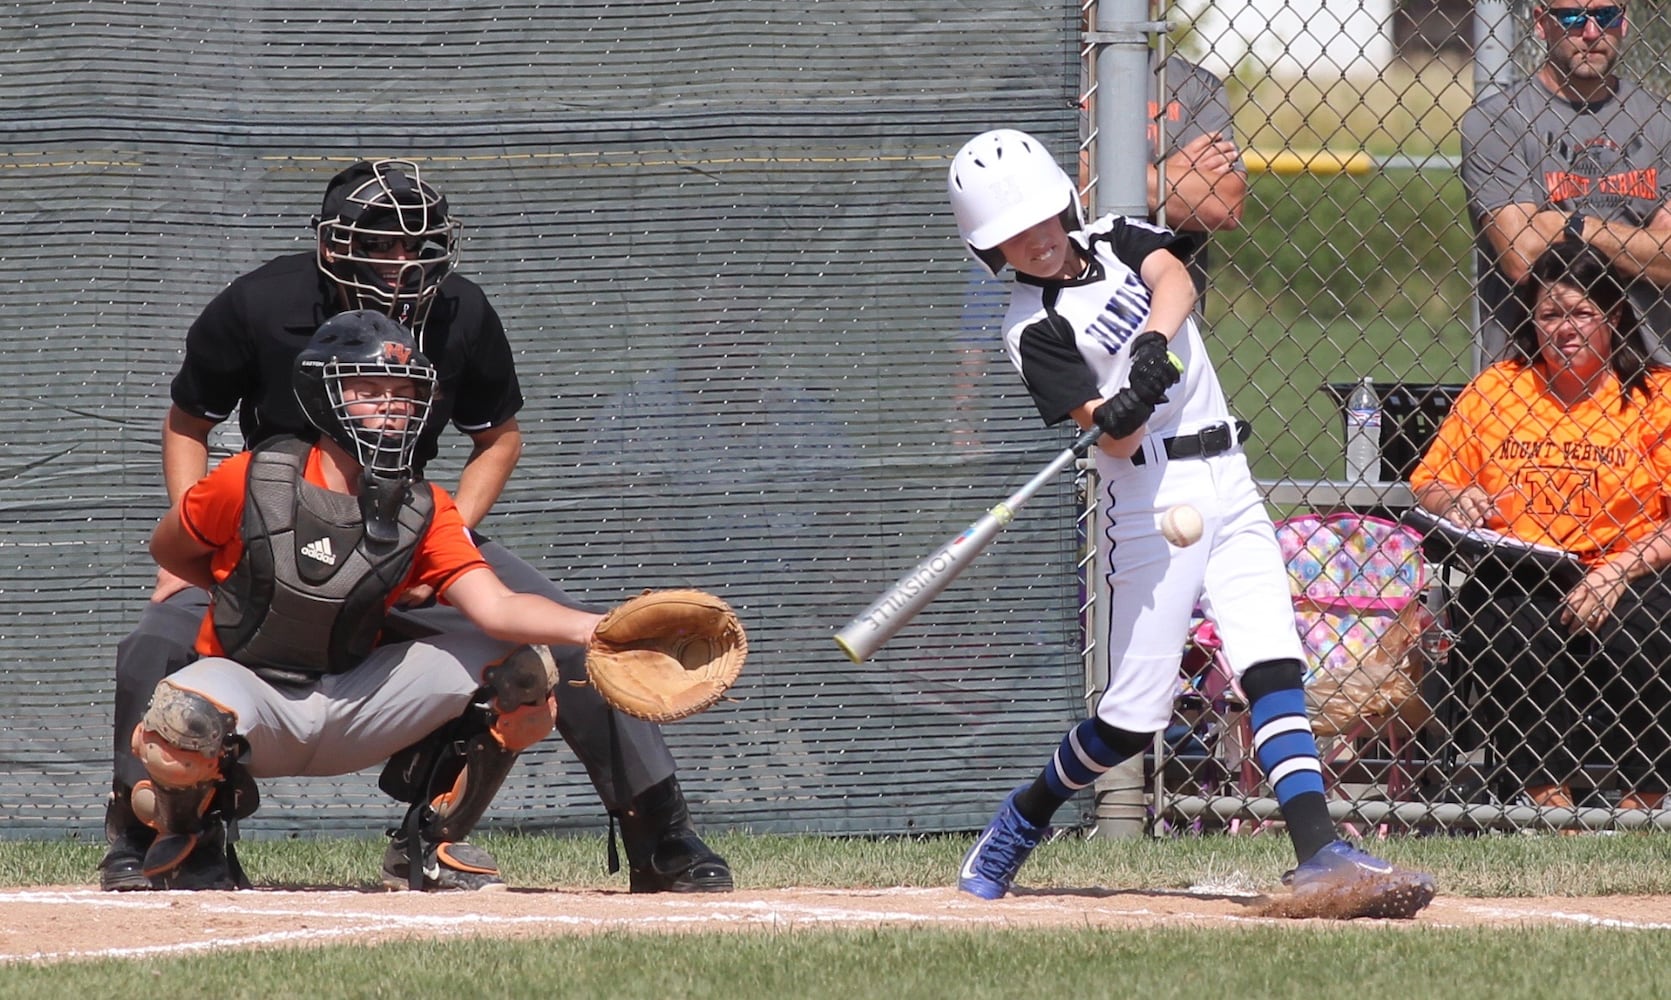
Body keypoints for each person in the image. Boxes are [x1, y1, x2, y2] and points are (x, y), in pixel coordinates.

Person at [100, 159, 730, 894]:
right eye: (379, 242)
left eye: (417, 244)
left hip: (398, 513)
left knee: (556, 643)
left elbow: (499, 438)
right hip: (266, 523)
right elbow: (189, 425)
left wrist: (433, 537)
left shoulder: (459, 310)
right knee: (158, 640)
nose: (401, 261)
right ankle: (146, 834)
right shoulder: (260, 304)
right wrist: (187, 555)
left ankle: (656, 832)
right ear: (332, 245)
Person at [945, 128, 1435, 918]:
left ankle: (1318, 852)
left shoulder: (1111, 237)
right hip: (1145, 500)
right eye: (1010, 237)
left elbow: (1173, 280)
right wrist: (1122, 408)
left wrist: (1148, 344)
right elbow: (1111, 431)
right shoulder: (1029, 329)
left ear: (1064, 206)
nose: (1033, 242)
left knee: (1272, 660)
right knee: (1131, 719)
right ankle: (1024, 814)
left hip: (1228, 476)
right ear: (989, 250)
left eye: (1040, 220)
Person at [135, 310, 604, 890]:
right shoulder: (252, 478)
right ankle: (193, 839)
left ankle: (430, 844)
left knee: (524, 671)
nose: (391, 404)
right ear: (324, 397)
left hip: (357, 695)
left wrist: (595, 628)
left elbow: (498, 609)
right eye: (369, 389)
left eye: (404, 392)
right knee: (183, 719)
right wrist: (238, 586)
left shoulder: (425, 506)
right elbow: (170, 548)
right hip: (253, 695)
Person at [1410, 240, 1671, 817]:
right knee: (1507, 625)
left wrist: (1612, 575)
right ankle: (1548, 810)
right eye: (1551, 314)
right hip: (1522, 565)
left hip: (1629, 566)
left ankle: (1642, 808)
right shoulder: (1498, 389)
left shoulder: (1656, 396)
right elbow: (1428, 481)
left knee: (1650, 628)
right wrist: (1456, 497)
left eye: (1581, 313)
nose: (1565, 329)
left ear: (1615, 316)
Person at [1462, 2, 1671, 361]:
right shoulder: (1497, 122)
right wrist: (1638, 246)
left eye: (1606, 16)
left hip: (1649, 379)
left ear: (1624, 21)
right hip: (1531, 379)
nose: (1591, 33)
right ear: (1542, 23)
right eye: (1573, 17)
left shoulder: (1662, 122)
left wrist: (1572, 226)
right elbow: (1521, 257)